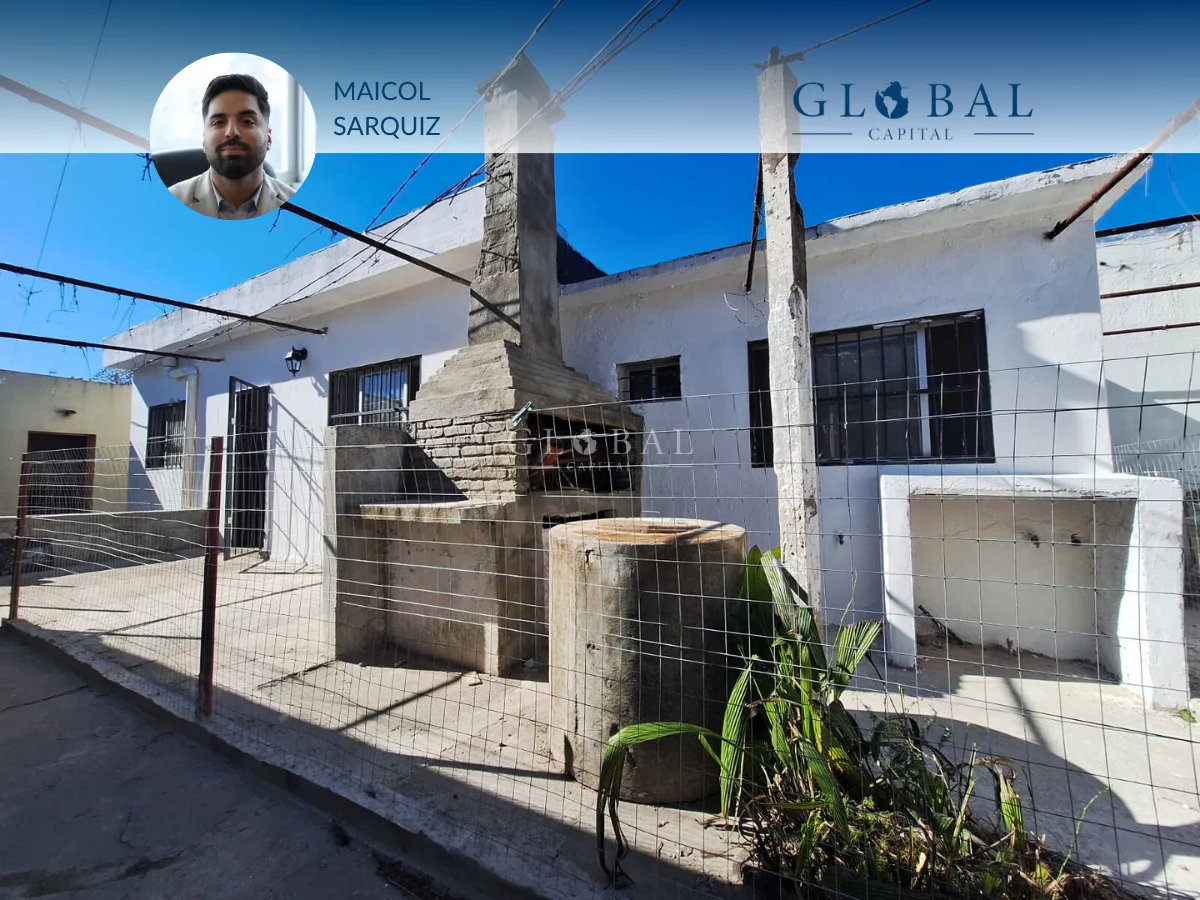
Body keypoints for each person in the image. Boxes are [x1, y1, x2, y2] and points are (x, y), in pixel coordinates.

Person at [169, 74, 294, 220]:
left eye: (247, 121)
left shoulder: (301, 209)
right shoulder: (167, 205)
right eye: (218, 122)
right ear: (204, 140)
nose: (232, 132)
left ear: (269, 138)